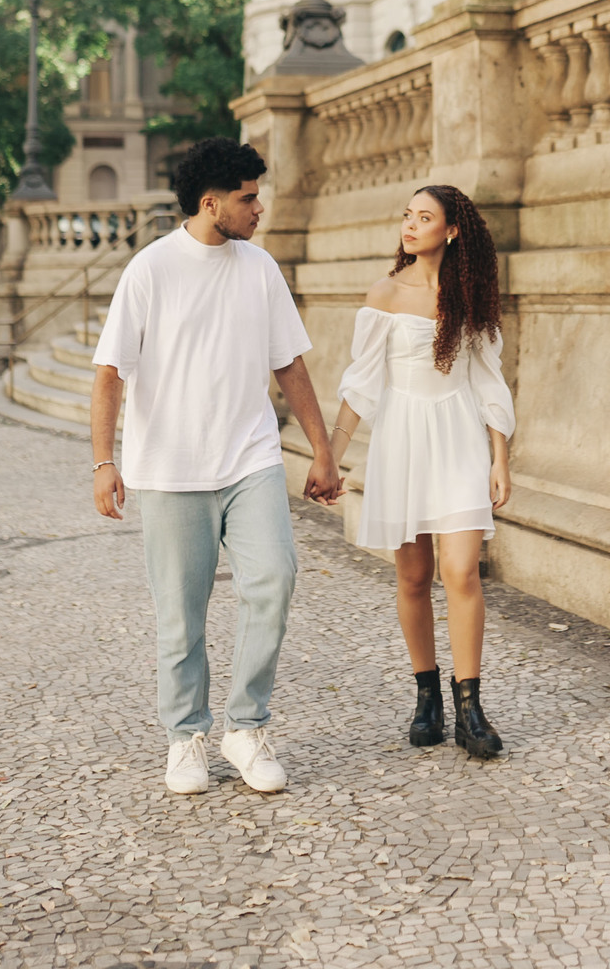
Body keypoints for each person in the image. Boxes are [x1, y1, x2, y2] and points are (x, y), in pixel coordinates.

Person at [89, 137, 343, 796]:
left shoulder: (259, 268)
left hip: (249, 459)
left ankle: (246, 727)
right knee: (181, 615)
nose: (259, 208)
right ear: (211, 204)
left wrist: (322, 450)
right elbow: (111, 373)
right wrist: (103, 461)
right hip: (170, 470)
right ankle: (186, 737)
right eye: (248, 198)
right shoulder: (150, 270)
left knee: (275, 578)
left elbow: (289, 363)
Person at [331, 184, 514, 759]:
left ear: (451, 230)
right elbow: (362, 383)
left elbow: (487, 379)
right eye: (407, 215)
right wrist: (330, 454)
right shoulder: (385, 293)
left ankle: (470, 708)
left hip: (458, 438)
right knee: (413, 577)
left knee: (461, 572)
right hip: (402, 442)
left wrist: (500, 457)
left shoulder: (471, 295)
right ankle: (427, 697)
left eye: (424, 217)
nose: (410, 225)